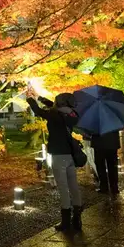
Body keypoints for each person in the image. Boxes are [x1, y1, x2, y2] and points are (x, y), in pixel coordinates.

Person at [27, 87, 82, 231]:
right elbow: (54, 107)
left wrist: (30, 98)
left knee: (63, 188)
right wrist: (39, 97)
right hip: (70, 155)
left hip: (59, 156)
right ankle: (77, 219)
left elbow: (39, 111)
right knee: (74, 186)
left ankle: (66, 222)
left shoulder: (54, 115)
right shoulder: (72, 115)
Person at [91, 131, 121, 195]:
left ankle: (104, 187)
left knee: (100, 166)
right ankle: (114, 187)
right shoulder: (114, 121)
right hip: (112, 143)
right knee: (112, 166)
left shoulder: (96, 121)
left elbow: (91, 130)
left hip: (99, 144)